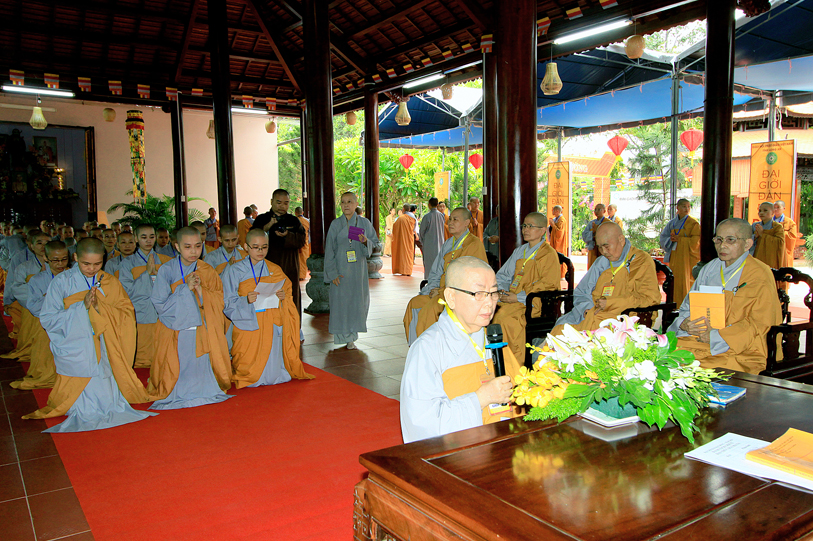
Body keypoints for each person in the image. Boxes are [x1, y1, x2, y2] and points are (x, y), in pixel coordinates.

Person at [22, 238, 154, 432]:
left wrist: (101, 308)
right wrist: (81, 307)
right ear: (75, 257)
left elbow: (126, 311)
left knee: (105, 382)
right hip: (77, 343)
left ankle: (108, 403)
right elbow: (48, 318)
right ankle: (80, 407)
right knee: (84, 389)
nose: (92, 269)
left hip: (105, 342)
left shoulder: (109, 281)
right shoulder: (61, 282)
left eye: (97, 264)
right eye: (86, 264)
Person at [400, 257, 516, 444]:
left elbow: (520, 397)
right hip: (459, 454)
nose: (489, 303)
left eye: (493, 293)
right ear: (451, 297)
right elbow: (423, 426)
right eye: (479, 293)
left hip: (505, 443)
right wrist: (481, 398)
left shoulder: (494, 339)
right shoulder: (427, 350)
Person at [668, 218, 782, 374]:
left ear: (747, 244)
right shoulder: (710, 269)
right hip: (700, 341)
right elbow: (688, 306)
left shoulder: (759, 274)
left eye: (730, 240)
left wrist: (716, 336)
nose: (722, 246)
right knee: (663, 354)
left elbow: (760, 323)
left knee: (697, 367)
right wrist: (684, 323)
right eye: (719, 240)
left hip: (739, 349)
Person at [148, 227, 233, 409]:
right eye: (187, 247)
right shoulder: (166, 270)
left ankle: (202, 389)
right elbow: (160, 304)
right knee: (177, 363)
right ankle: (177, 390)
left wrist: (201, 291)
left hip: (201, 326)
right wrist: (184, 288)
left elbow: (219, 299)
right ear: (177, 246)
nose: (194, 251)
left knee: (199, 362)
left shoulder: (207, 270)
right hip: (175, 328)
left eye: (197, 246)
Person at [222, 229, 314, 388]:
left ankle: (275, 374)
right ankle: (250, 376)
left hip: (271, 321)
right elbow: (227, 300)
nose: (260, 251)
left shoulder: (275, 269)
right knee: (248, 361)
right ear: (246, 247)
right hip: (249, 322)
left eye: (264, 247)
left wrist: (283, 297)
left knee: (273, 365)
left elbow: (287, 292)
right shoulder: (234, 271)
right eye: (255, 247)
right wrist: (245, 300)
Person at [553, 222, 660, 334]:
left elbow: (649, 298)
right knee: (561, 328)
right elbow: (582, 292)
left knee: (567, 335)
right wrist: (586, 309)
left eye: (606, 246)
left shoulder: (641, 261)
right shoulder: (602, 262)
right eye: (600, 247)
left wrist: (611, 303)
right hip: (593, 313)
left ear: (621, 240)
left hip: (621, 318)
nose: (603, 252)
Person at [403, 208, 488, 344]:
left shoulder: (474, 244)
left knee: (429, 310)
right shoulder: (449, 243)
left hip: (458, 296)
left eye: (455, 220)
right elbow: (436, 271)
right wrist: (433, 288)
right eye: (450, 219)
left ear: (467, 223)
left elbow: (471, 279)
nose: (450, 223)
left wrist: (442, 292)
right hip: (440, 291)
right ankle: (416, 347)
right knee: (414, 303)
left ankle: (432, 350)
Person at [493, 212, 561, 366]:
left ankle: (513, 365)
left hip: (531, 304)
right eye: (524, 226)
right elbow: (503, 275)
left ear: (543, 230)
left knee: (504, 318)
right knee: (489, 310)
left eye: (531, 226)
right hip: (511, 299)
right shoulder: (520, 251)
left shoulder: (548, 254)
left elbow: (549, 285)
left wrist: (518, 297)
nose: (525, 229)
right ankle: (495, 362)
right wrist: (502, 291)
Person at [9, 241, 70, 390]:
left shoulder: (74, 276)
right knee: (45, 357)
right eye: (55, 260)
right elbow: (33, 306)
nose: (60, 264)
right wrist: (53, 300)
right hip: (47, 325)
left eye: (64, 259)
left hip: (70, 323)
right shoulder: (37, 280)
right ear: (46, 258)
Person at [324, 192, 380, 350]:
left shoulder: (364, 223)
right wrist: (332, 273)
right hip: (340, 270)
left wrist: (365, 241)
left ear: (356, 204)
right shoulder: (336, 224)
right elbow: (329, 250)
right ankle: (342, 335)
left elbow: (376, 243)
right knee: (340, 303)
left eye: (349, 202)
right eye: (343, 202)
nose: (346, 205)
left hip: (357, 271)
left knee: (356, 302)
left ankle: (352, 336)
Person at [119, 224, 174, 369]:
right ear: (136, 239)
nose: (148, 240)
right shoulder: (127, 263)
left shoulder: (166, 260)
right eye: (144, 237)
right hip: (141, 313)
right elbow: (126, 291)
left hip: (163, 313)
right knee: (142, 355)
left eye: (151, 237)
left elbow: (174, 287)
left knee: (163, 354)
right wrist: (146, 274)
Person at [251, 189, 307, 316]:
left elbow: (302, 241)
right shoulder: (262, 219)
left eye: (286, 203)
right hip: (267, 265)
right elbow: (252, 238)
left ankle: (292, 325)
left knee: (290, 298)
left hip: (289, 265)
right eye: (279, 202)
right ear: (271, 202)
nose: (282, 206)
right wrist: (267, 227)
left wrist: (288, 235)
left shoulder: (293, 221)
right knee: (267, 300)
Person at [1, 230, 50, 359]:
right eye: (39, 243)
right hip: (31, 309)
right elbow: (17, 288)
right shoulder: (24, 267)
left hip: (52, 308)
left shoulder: (58, 266)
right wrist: (39, 298)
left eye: (47, 243)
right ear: (31, 246)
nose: (43, 246)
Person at [659, 199, 700, 307]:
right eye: (684, 206)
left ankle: (686, 305)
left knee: (685, 279)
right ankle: (675, 303)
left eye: (688, 207)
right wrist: (671, 239)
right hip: (675, 254)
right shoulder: (672, 223)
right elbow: (663, 237)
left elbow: (697, 240)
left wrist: (681, 240)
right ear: (678, 208)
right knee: (674, 279)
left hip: (686, 257)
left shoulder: (693, 223)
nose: (687, 209)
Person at [750, 201, 785, 269]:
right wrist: (755, 237)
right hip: (756, 257)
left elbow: (780, 243)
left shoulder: (777, 227)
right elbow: (747, 242)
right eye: (760, 211)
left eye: (765, 210)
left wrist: (763, 235)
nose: (761, 213)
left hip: (770, 259)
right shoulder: (755, 225)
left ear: (773, 212)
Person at [774, 200, 798, 289]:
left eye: (778, 207)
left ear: (783, 208)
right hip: (772, 252)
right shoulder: (769, 221)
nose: (776, 209)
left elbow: (792, 237)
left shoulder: (790, 223)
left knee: (783, 278)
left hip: (784, 253)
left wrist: (778, 233)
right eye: (774, 207)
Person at [419, 197, 446, 276]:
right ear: (437, 205)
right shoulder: (441, 216)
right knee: (438, 264)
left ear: (429, 205)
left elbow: (422, 231)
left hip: (429, 245)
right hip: (440, 243)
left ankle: (429, 279)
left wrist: (423, 241)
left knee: (429, 264)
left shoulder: (427, 216)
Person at [392, 204, 417, 276]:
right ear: (409, 209)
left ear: (403, 209)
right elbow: (415, 229)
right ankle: (408, 270)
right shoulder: (413, 218)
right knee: (409, 254)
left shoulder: (400, 218)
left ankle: (402, 270)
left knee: (402, 254)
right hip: (410, 238)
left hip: (402, 239)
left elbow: (395, 227)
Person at [581, 203, 606, 269]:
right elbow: (584, 236)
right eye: (595, 210)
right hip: (592, 250)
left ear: (604, 211)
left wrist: (598, 231)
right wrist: (593, 233)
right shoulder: (591, 223)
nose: (596, 211)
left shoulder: (607, 223)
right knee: (592, 269)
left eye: (599, 209)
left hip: (603, 251)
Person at [295, 207, 310, 280]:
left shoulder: (295, 221)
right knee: (304, 259)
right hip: (305, 242)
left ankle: (298, 275)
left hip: (296, 242)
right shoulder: (307, 221)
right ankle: (302, 275)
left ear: (295, 213)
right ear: (302, 212)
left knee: (297, 259)